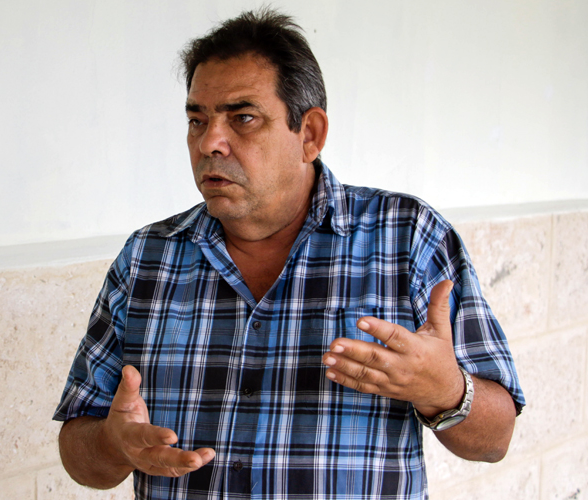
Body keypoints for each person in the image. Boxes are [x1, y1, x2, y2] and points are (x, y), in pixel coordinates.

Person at [54, 8, 525, 499]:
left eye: (243, 118)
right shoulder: (147, 258)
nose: (210, 142)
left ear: (310, 134)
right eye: (197, 120)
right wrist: (114, 443)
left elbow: (496, 438)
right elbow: (79, 453)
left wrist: (445, 391)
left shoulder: (407, 238)